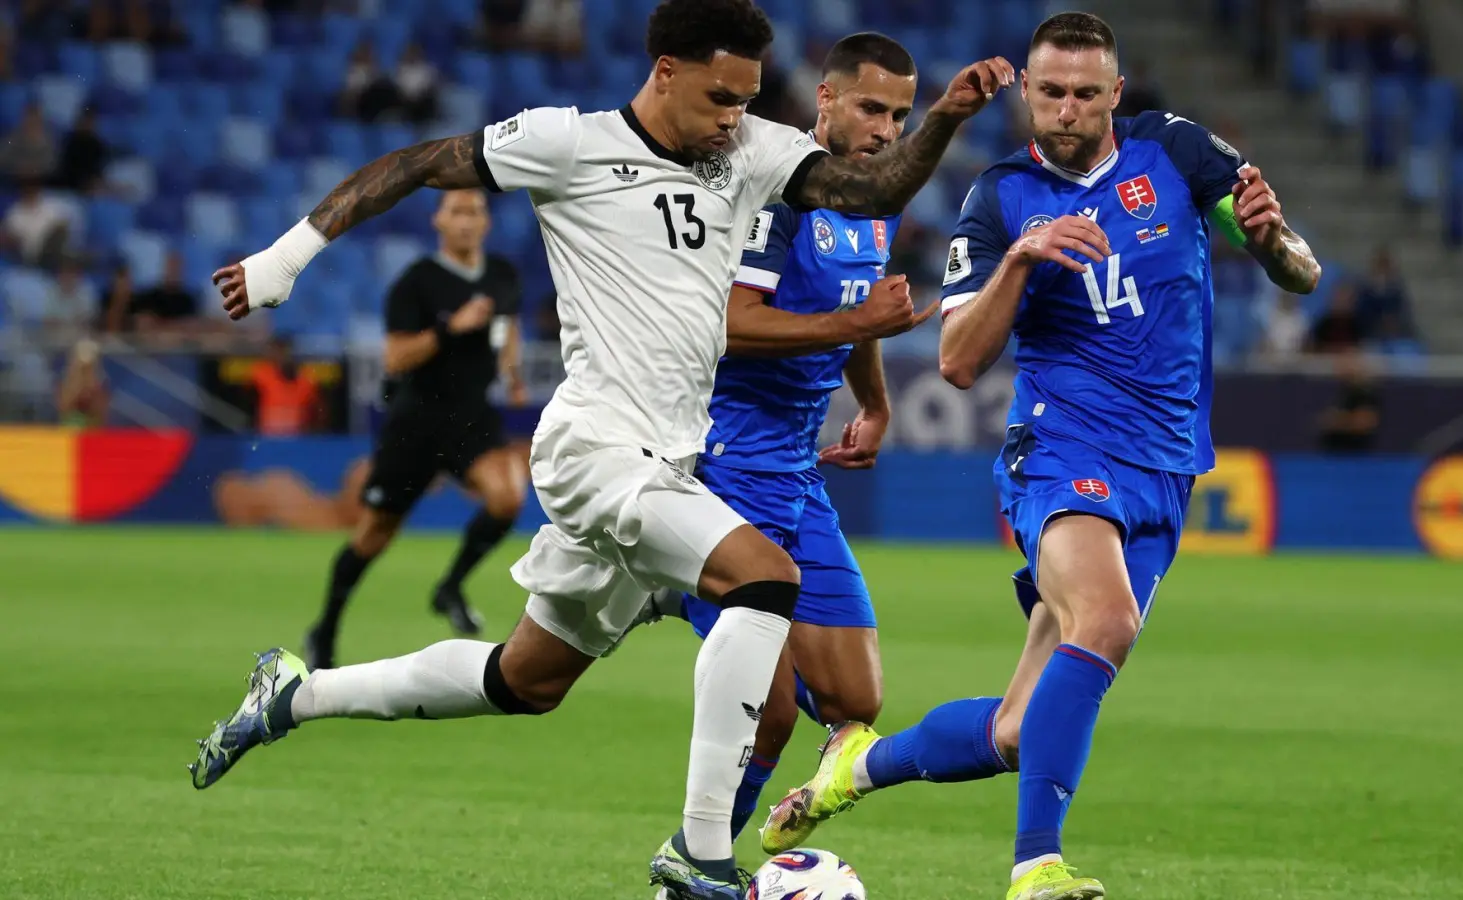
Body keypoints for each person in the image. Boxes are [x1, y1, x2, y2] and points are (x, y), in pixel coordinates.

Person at [188, 1, 1012, 897]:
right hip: (594, 448)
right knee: (764, 578)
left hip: (673, 459)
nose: (733, 118)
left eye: (745, 100)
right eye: (718, 97)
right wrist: (285, 257)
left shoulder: (753, 150)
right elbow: (417, 163)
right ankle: (698, 857)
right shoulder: (566, 143)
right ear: (665, 71)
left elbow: (875, 192)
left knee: (524, 680)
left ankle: (295, 695)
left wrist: (944, 119)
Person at [759, 13, 1320, 900]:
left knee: (1021, 730)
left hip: (1167, 466)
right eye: (1050, 92)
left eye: (1086, 94)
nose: (1066, 111)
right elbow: (957, 359)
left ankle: (854, 770)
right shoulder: (998, 201)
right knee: (1107, 622)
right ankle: (1035, 868)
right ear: (1026, 90)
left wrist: (1272, 240)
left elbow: (1298, 270)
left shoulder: (1176, 154)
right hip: (1061, 448)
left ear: (1116, 95)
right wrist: (1022, 259)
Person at [610, 31, 934, 841]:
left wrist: (876, 402)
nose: (887, 129)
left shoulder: (874, 204)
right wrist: (857, 320)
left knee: (857, 705)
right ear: (825, 100)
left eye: (900, 114)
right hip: (720, 463)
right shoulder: (779, 195)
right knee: (772, 714)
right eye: (870, 107)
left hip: (796, 473)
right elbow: (728, 321)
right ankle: (697, 870)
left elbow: (857, 315)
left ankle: (671, 589)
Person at [305, 188, 528, 669]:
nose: (467, 221)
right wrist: (452, 327)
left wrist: (512, 374)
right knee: (374, 534)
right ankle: (324, 628)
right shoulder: (416, 283)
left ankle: (449, 587)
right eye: (457, 212)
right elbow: (396, 357)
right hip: (418, 421)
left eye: (475, 211)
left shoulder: (503, 275)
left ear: (486, 222)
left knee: (508, 496)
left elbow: (508, 328)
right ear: (439, 223)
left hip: (473, 418)